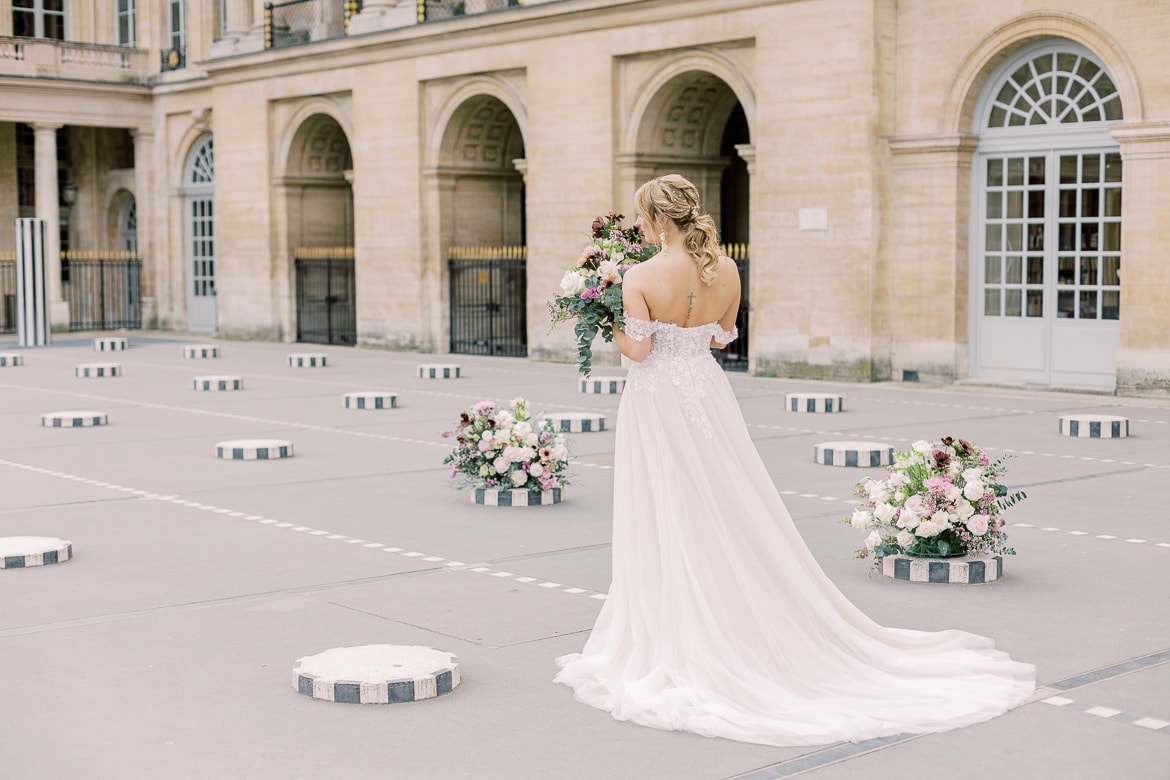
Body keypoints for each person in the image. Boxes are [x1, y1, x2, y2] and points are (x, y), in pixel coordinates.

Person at [553, 174, 1035, 747]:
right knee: (728, 498)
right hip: (706, 392)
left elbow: (638, 349)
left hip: (657, 400)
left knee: (666, 503)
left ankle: (683, 617)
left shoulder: (638, 276)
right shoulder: (726, 269)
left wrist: (604, 315)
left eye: (641, 216)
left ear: (658, 220)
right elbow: (722, 337)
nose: (637, 226)